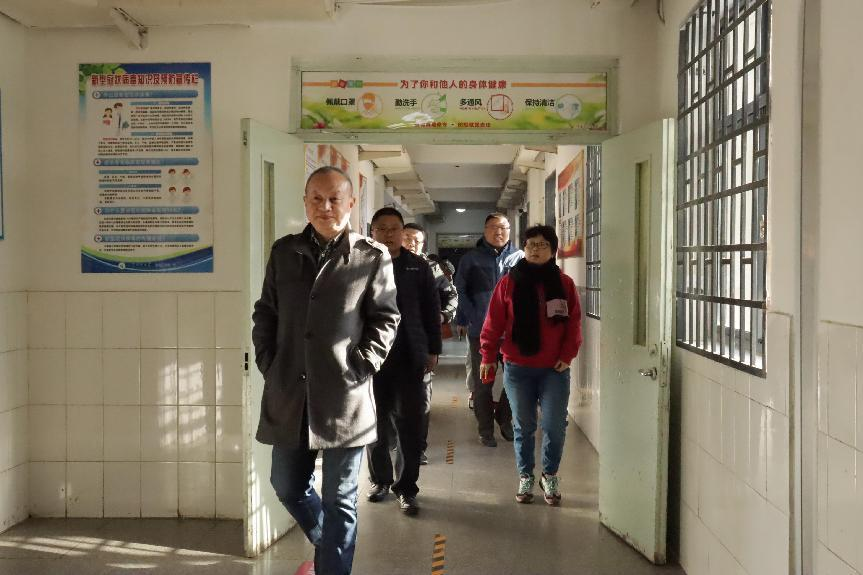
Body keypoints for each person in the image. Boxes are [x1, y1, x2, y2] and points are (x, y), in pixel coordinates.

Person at [252, 166, 400, 575]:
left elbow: (386, 318)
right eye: (316, 198)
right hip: (290, 393)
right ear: (305, 203)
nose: (325, 207)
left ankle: (333, 566)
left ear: (351, 203)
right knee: (287, 486)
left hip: (345, 395)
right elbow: (266, 312)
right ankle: (328, 546)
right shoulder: (284, 252)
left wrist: (363, 363)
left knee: (341, 500)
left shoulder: (371, 255)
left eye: (335, 199)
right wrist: (269, 362)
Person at [479, 225, 582, 506]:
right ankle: (525, 475)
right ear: (524, 249)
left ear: (553, 250)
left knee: (554, 425)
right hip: (518, 367)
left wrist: (567, 355)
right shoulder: (508, 283)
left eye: (542, 245)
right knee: (524, 426)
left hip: (554, 369)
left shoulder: (564, 284)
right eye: (530, 244)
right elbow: (493, 323)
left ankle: (549, 474)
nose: (535, 249)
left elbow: (573, 324)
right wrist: (487, 356)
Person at [365, 209, 441, 515]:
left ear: (402, 232)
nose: (388, 234)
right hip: (372, 357)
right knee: (375, 423)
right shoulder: (362, 263)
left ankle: (407, 488)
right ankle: (380, 480)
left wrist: (433, 349)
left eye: (393, 228)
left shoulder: (417, 266)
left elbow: (431, 309)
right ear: (371, 232)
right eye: (381, 228)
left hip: (410, 355)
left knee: (410, 424)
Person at [454, 213, 523, 447]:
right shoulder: (471, 259)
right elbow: (460, 290)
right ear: (485, 230)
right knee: (483, 383)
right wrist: (473, 316)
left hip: (512, 333)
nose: (498, 232)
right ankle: (485, 430)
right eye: (493, 227)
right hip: (481, 333)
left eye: (503, 227)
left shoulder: (519, 258)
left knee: (516, 380)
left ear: (509, 231)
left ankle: (504, 417)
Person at [403, 223, 458, 464]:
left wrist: (444, 316)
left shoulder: (431, 268)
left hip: (422, 341)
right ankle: (392, 445)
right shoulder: (383, 262)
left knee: (421, 399)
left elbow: (452, 295)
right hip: (389, 343)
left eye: (417, 240)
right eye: (407, 237)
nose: (411, 243)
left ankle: (418, 448)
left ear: (423, 244)